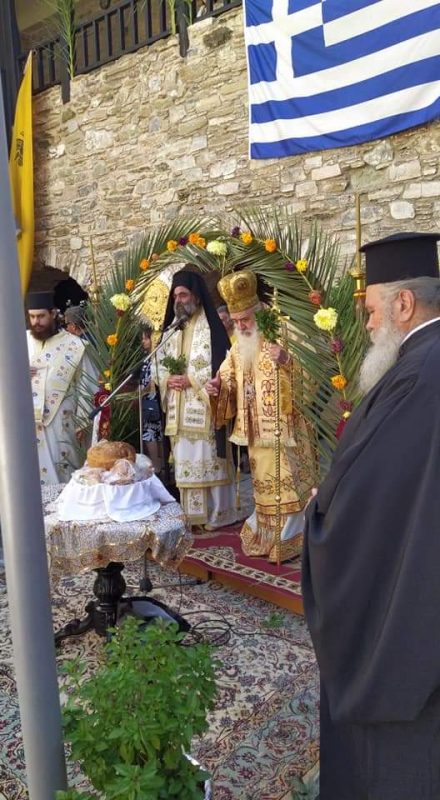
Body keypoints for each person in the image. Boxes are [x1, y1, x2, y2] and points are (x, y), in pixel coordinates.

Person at [302, 232, 440, 800]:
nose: (367, 325)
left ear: (403, 304)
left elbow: (384, 499)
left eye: (372, 311)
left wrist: (324, 510)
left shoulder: (419, 376)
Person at [206, 270, 316, 562]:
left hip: (287, 429)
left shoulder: (286, 331)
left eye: (245, 319)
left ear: (259, 310)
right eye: (236, 321)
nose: (240, 326)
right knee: (265, 485)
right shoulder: (239, 344)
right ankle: (268, 533)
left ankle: (292, 535)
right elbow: (228, 377)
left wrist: (287, 360)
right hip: (255, 430)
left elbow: (313, 375)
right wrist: (217, 387)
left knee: (288, 484)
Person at [155, 269, 237, 530]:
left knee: (208, 459)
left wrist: (191, 380)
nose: (179, 300)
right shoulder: (171, 329)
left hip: (204, 405)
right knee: (186, 462)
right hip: (178, 407)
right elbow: (158, 364)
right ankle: (192, 518)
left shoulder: (212, 327)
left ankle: (218, 515)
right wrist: (168, 379)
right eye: (175, 296)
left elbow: (225, 365)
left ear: (196, 296)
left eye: (183, 294)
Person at [26, 290, 95, 485]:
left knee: (63, 471)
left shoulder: (75, 346)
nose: (36, 322)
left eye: (41, 316)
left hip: (61, 422)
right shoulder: (19, 342)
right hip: (25, 422)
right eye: (32, 317)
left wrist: (83, 421)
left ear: (53, 313)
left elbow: (88, 384)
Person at [139, 322, 162, 474]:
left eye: (146, 338)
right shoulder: (147, 358)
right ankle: (160, 466)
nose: (143, 342)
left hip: (152, 400)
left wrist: (140, 391)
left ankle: (157, 467)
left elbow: (150, 381)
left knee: (151, 434)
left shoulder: (155, 358)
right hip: (150, 400)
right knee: (154, 434)